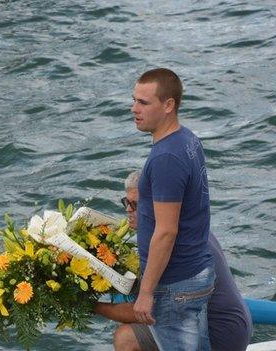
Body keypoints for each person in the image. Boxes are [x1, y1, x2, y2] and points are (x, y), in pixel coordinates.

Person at [94, 171, 252, 351]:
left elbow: (142, 312)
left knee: (126, 338)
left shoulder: (168, 244)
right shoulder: (188, 224)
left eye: (135, 205)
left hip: (220, 334)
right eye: (126, 202)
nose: (128, 210)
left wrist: (92, 306)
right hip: (237, 323)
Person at [132, 68, 214, 350]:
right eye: (134, 100)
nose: (134, 109)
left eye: (144, 103)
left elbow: (167, 231)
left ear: (169, 105)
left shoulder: (166, 156)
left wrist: (145, 292)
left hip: (175, 285)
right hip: (196, 271)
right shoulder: (187, 139)